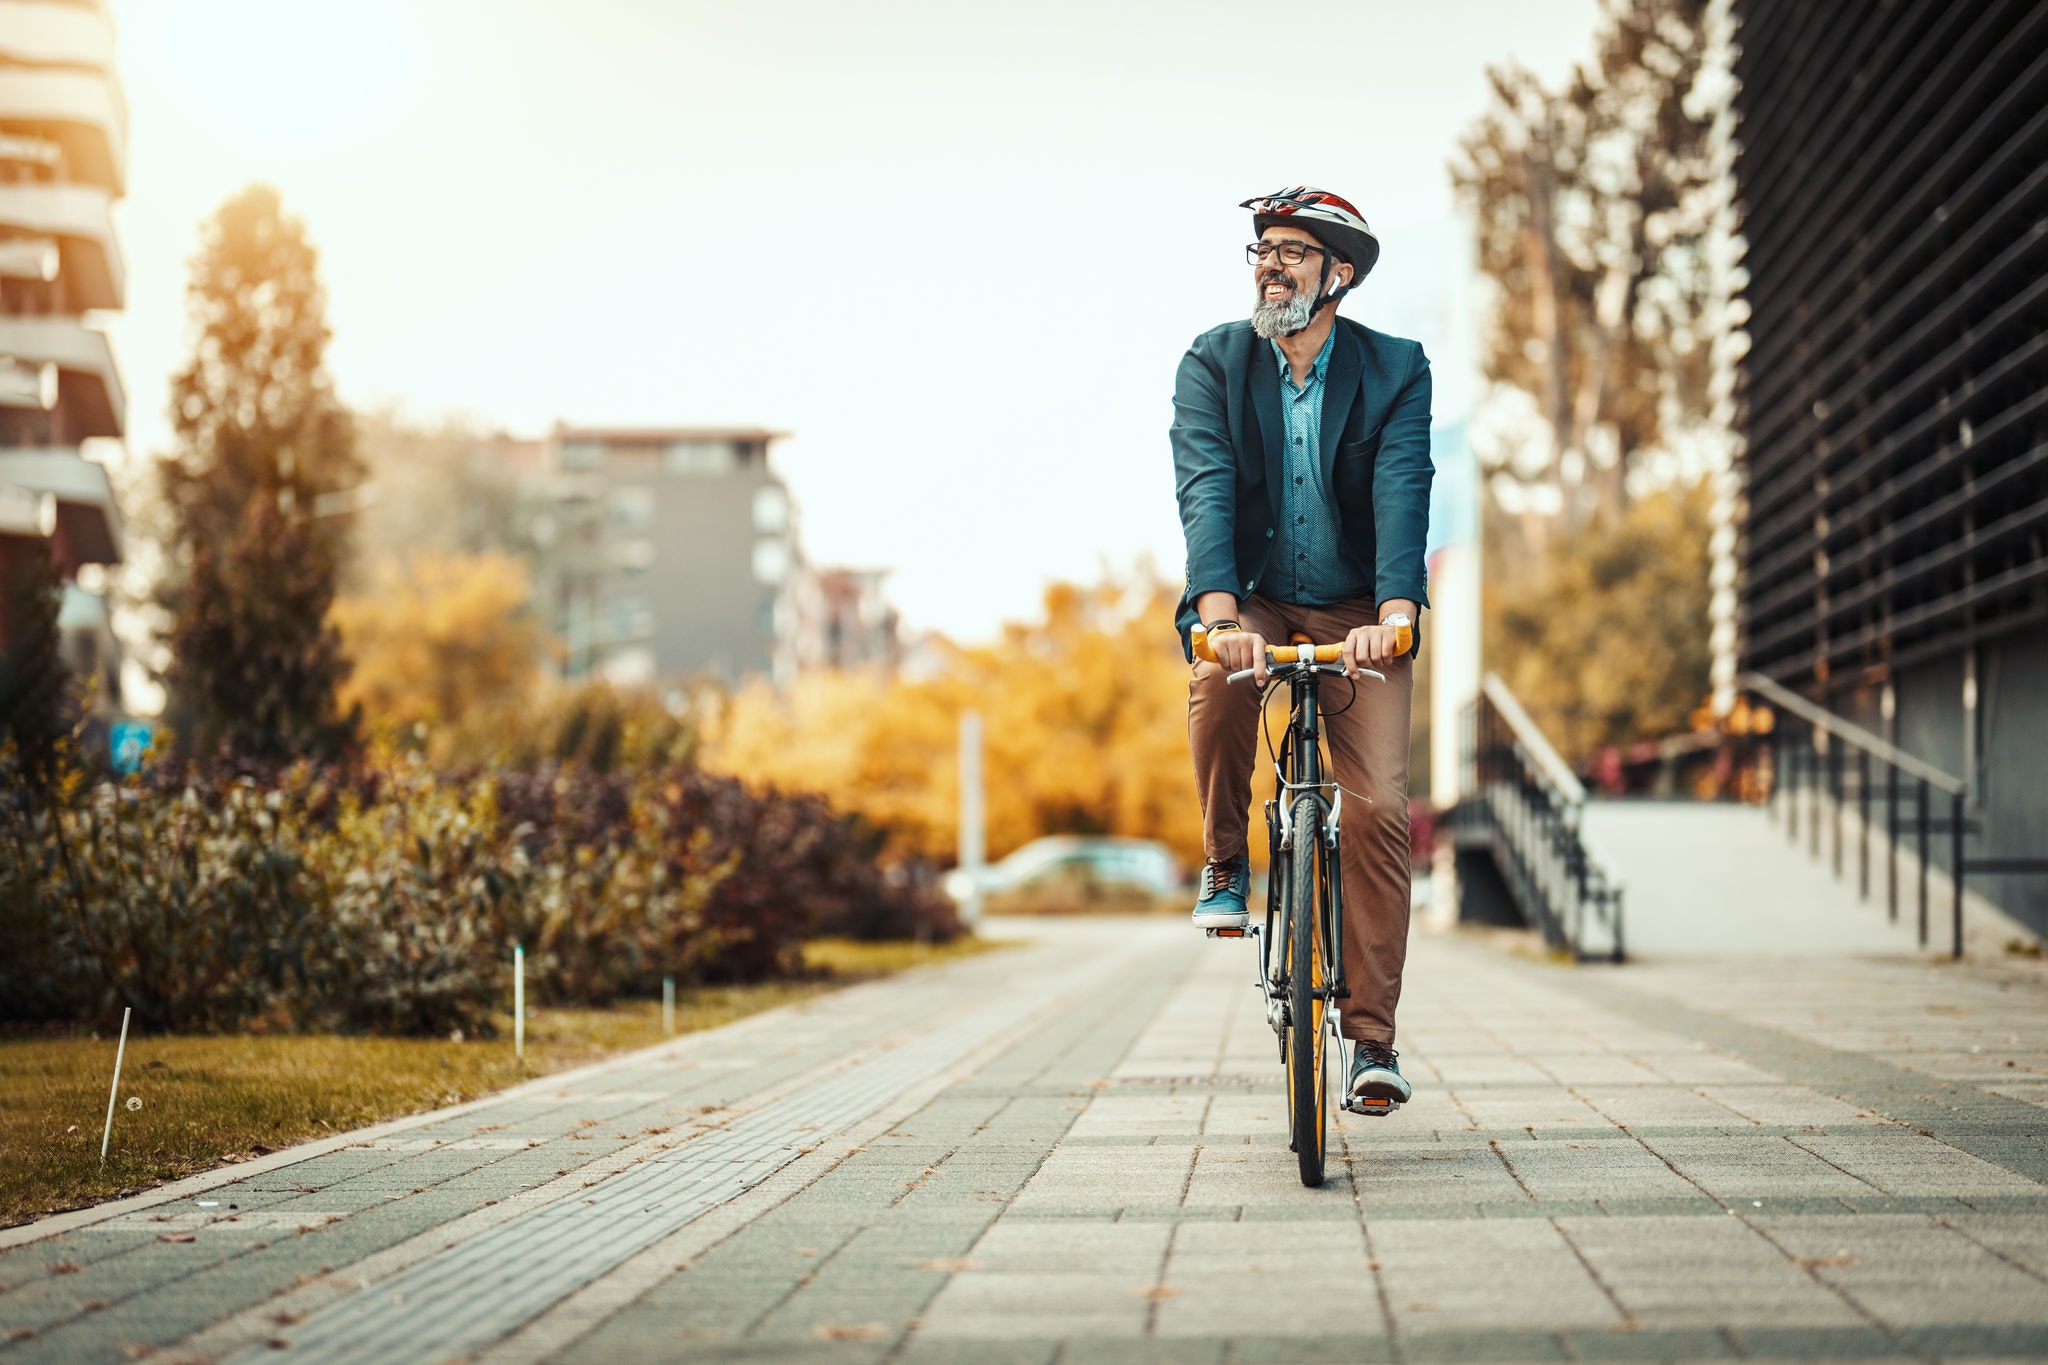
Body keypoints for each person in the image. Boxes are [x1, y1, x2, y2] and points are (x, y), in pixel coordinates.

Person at [1169, 186, 1433, 1108]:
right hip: (1257, 598)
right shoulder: (1213, 361)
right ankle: (1225, 860)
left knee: (1374, 810)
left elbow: (1405, 485)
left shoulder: (1396, 369)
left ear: (1339, 274)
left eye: (1292, 250)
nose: (1270, 263)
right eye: (1262, 250)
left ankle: (1371, 1045)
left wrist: (1396, 609)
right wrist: (1220, 615)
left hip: (1362, 605)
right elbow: (1204, 485)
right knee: (1220, 678)